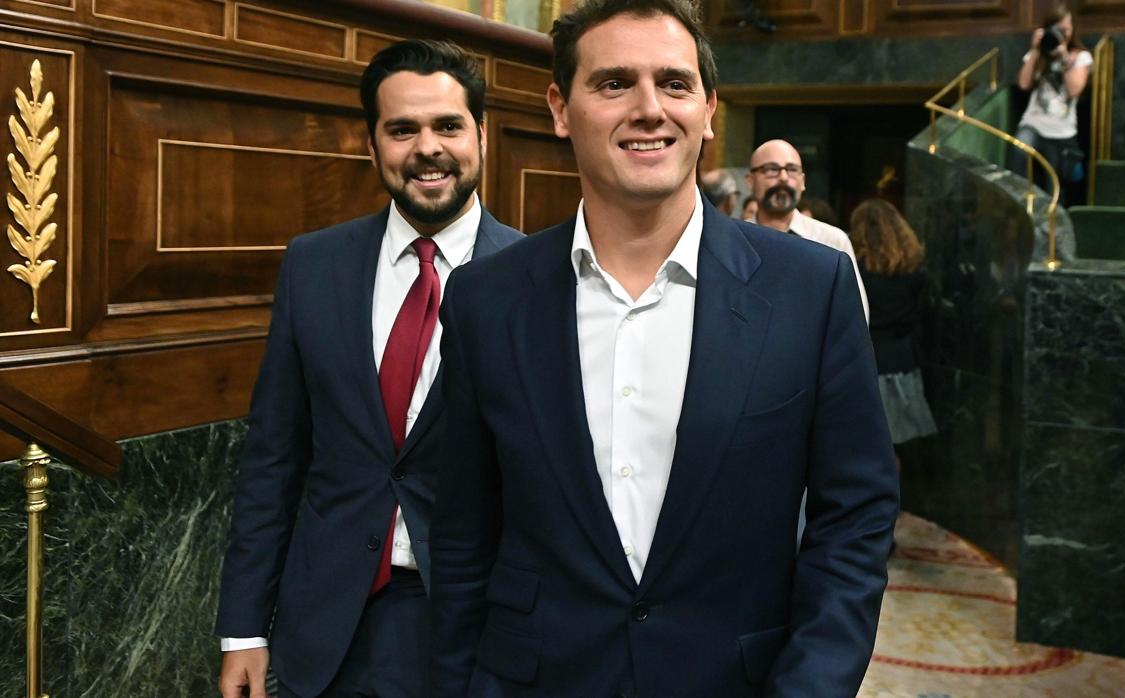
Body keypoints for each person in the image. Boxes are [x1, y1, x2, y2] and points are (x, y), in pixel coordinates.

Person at [429, 0, 899, 695]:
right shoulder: (485, 299)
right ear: (560, 109)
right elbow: (463, 535)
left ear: (708, 110)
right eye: (615, 83)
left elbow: (855, 519)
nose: (649, 109)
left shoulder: (811, 288)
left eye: (674, 84)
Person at [215, 40, 522, 698]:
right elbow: (273, 459)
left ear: (481, 135)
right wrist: (243, 629)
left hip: (478, 630)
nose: (428, 148)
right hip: (328, 629)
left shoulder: (537, 279)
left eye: (448, 126)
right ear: (372, 143)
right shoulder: (313, 265)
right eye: (402, 129)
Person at [849, 199, 938, 453]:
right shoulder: (914, 269)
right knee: (901, 447)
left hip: (866, 363)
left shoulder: (857, 269)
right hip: (903, 361)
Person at [746, 139, 869, 319]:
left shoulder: (831, 241)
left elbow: (855, 315)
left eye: (792, 170)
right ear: (750, 181)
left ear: (803, 181)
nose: (783, 177)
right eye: (771, 169)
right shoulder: (732, 240)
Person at [1008, 2, 1091, 203]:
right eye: (1057, 30)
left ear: (1072, 30)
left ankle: (1051, 222)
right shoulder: (1038, 55)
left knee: (1053, 187)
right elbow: (1023, 84)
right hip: (1033, 125)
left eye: (1065, 30)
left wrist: (1063, 56)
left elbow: (1074, 90)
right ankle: (1018, 205)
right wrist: (1035, 50)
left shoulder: (1080, 57)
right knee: (1019, 151)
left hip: (1061, 132)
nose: (1062, 35)